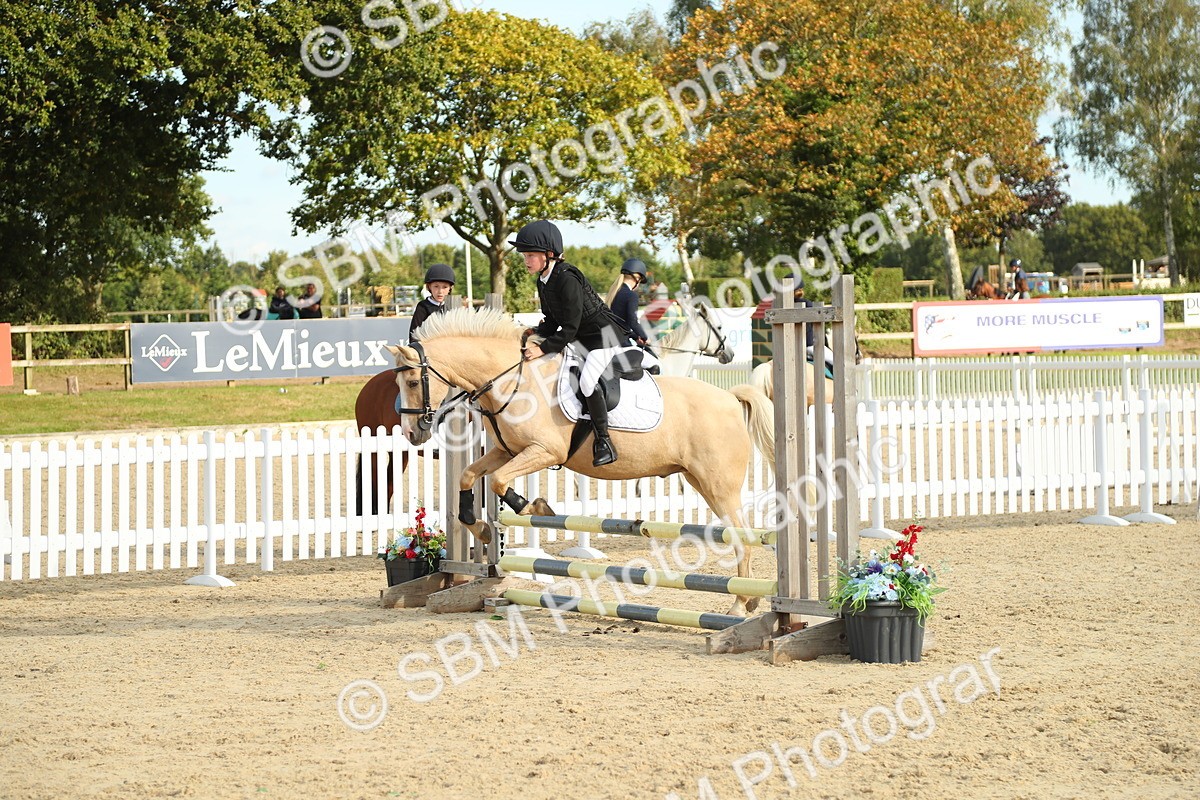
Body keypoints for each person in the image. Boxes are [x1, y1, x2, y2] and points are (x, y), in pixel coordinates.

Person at [512, 219, 638, 467]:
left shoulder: (567, 278)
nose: (526, 260)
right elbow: (552, 320)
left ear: (549, 254)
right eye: (524, 255)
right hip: (581, 338)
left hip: (603, 338)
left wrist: (542, 348)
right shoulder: (543, 280)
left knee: (588, 381)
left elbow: (569, 327)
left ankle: (604, 441)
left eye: (530, 255)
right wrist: (535, 333)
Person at [606, 258, 652, 347]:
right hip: (622, 343)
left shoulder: (613, 292)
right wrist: (645, 338)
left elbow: (619, 324)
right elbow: (633, 322)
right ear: (637, 279)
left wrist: (635, 337)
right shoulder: (631, 295)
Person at [409, 263, 455, 341]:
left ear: (450, 288)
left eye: (445, 287)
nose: (440, 291)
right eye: (436, 286)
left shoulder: (452, 307)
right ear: (429, 286)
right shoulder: (423, 307)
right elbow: (414, 335)